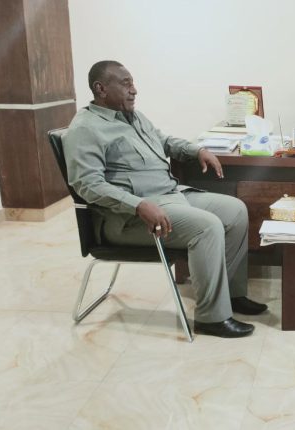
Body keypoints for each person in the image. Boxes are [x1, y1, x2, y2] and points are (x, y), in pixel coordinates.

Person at [63, 60, 266, 338]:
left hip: (169, 196)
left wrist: (196, 151)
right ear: (100, 89)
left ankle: (231, 294)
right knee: (206, 227)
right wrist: (137, 204)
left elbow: (164, 141)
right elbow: (87, 184)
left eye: (133, 83)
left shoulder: (133, 116)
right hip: (128, 218)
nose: (134, 90)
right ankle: (211, 318)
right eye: (125, 83)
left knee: (235, 210)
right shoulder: (85, 129)